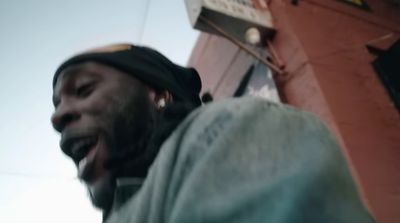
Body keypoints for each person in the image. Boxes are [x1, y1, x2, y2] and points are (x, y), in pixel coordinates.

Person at [51, 43, 374, 223]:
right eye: (57, 104)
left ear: (158, 94)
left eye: (83, 88)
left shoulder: (230, 127)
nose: (58, 116)